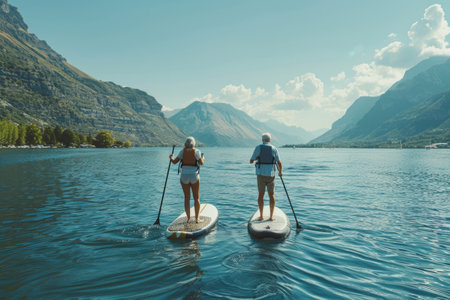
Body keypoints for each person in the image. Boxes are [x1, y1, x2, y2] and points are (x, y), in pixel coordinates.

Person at [169, 137, 205, 223]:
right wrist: (203, 158)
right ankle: (197, 219)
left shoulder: (182, 151)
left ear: (185, 144)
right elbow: (201, 163)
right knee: (196, 198)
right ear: (194, 143)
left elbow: (174, 162)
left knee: (186, 198)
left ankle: (188, 218)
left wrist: (171, 157)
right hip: (194, 176)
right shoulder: (197, 152)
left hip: (184, 176)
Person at [250, 133, 282, 221]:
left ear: (262, 140)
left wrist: (257, 159)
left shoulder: (258, 147)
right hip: (271, 174)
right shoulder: (274, 148)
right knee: (271, 195)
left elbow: (251, 161)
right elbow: (279, 162)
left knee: (261, 194)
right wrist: (280, 172)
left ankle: (261, 216)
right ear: (270, 140)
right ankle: (271, 217)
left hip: (260, 174)